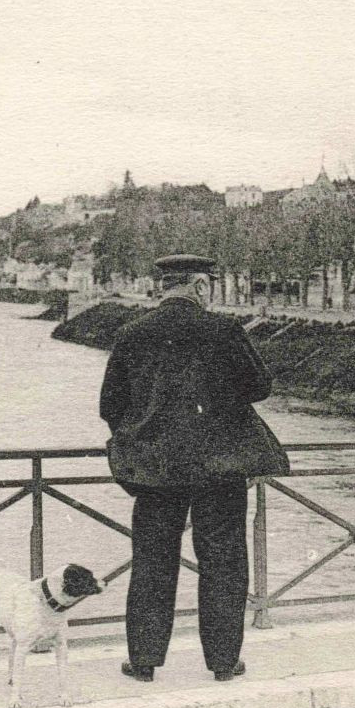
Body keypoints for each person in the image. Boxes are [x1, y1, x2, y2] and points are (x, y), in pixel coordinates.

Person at [99, 254, 290, 684]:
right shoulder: (223, 331)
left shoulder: (132, 333)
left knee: (152, 561)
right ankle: (223, 662)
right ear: (202, 288)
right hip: (219, 468)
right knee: (223, 560)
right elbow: (259, 387)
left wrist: (143, 436)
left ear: (164, 286)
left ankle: (144, 661)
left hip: (155, 471)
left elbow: (109, 405)